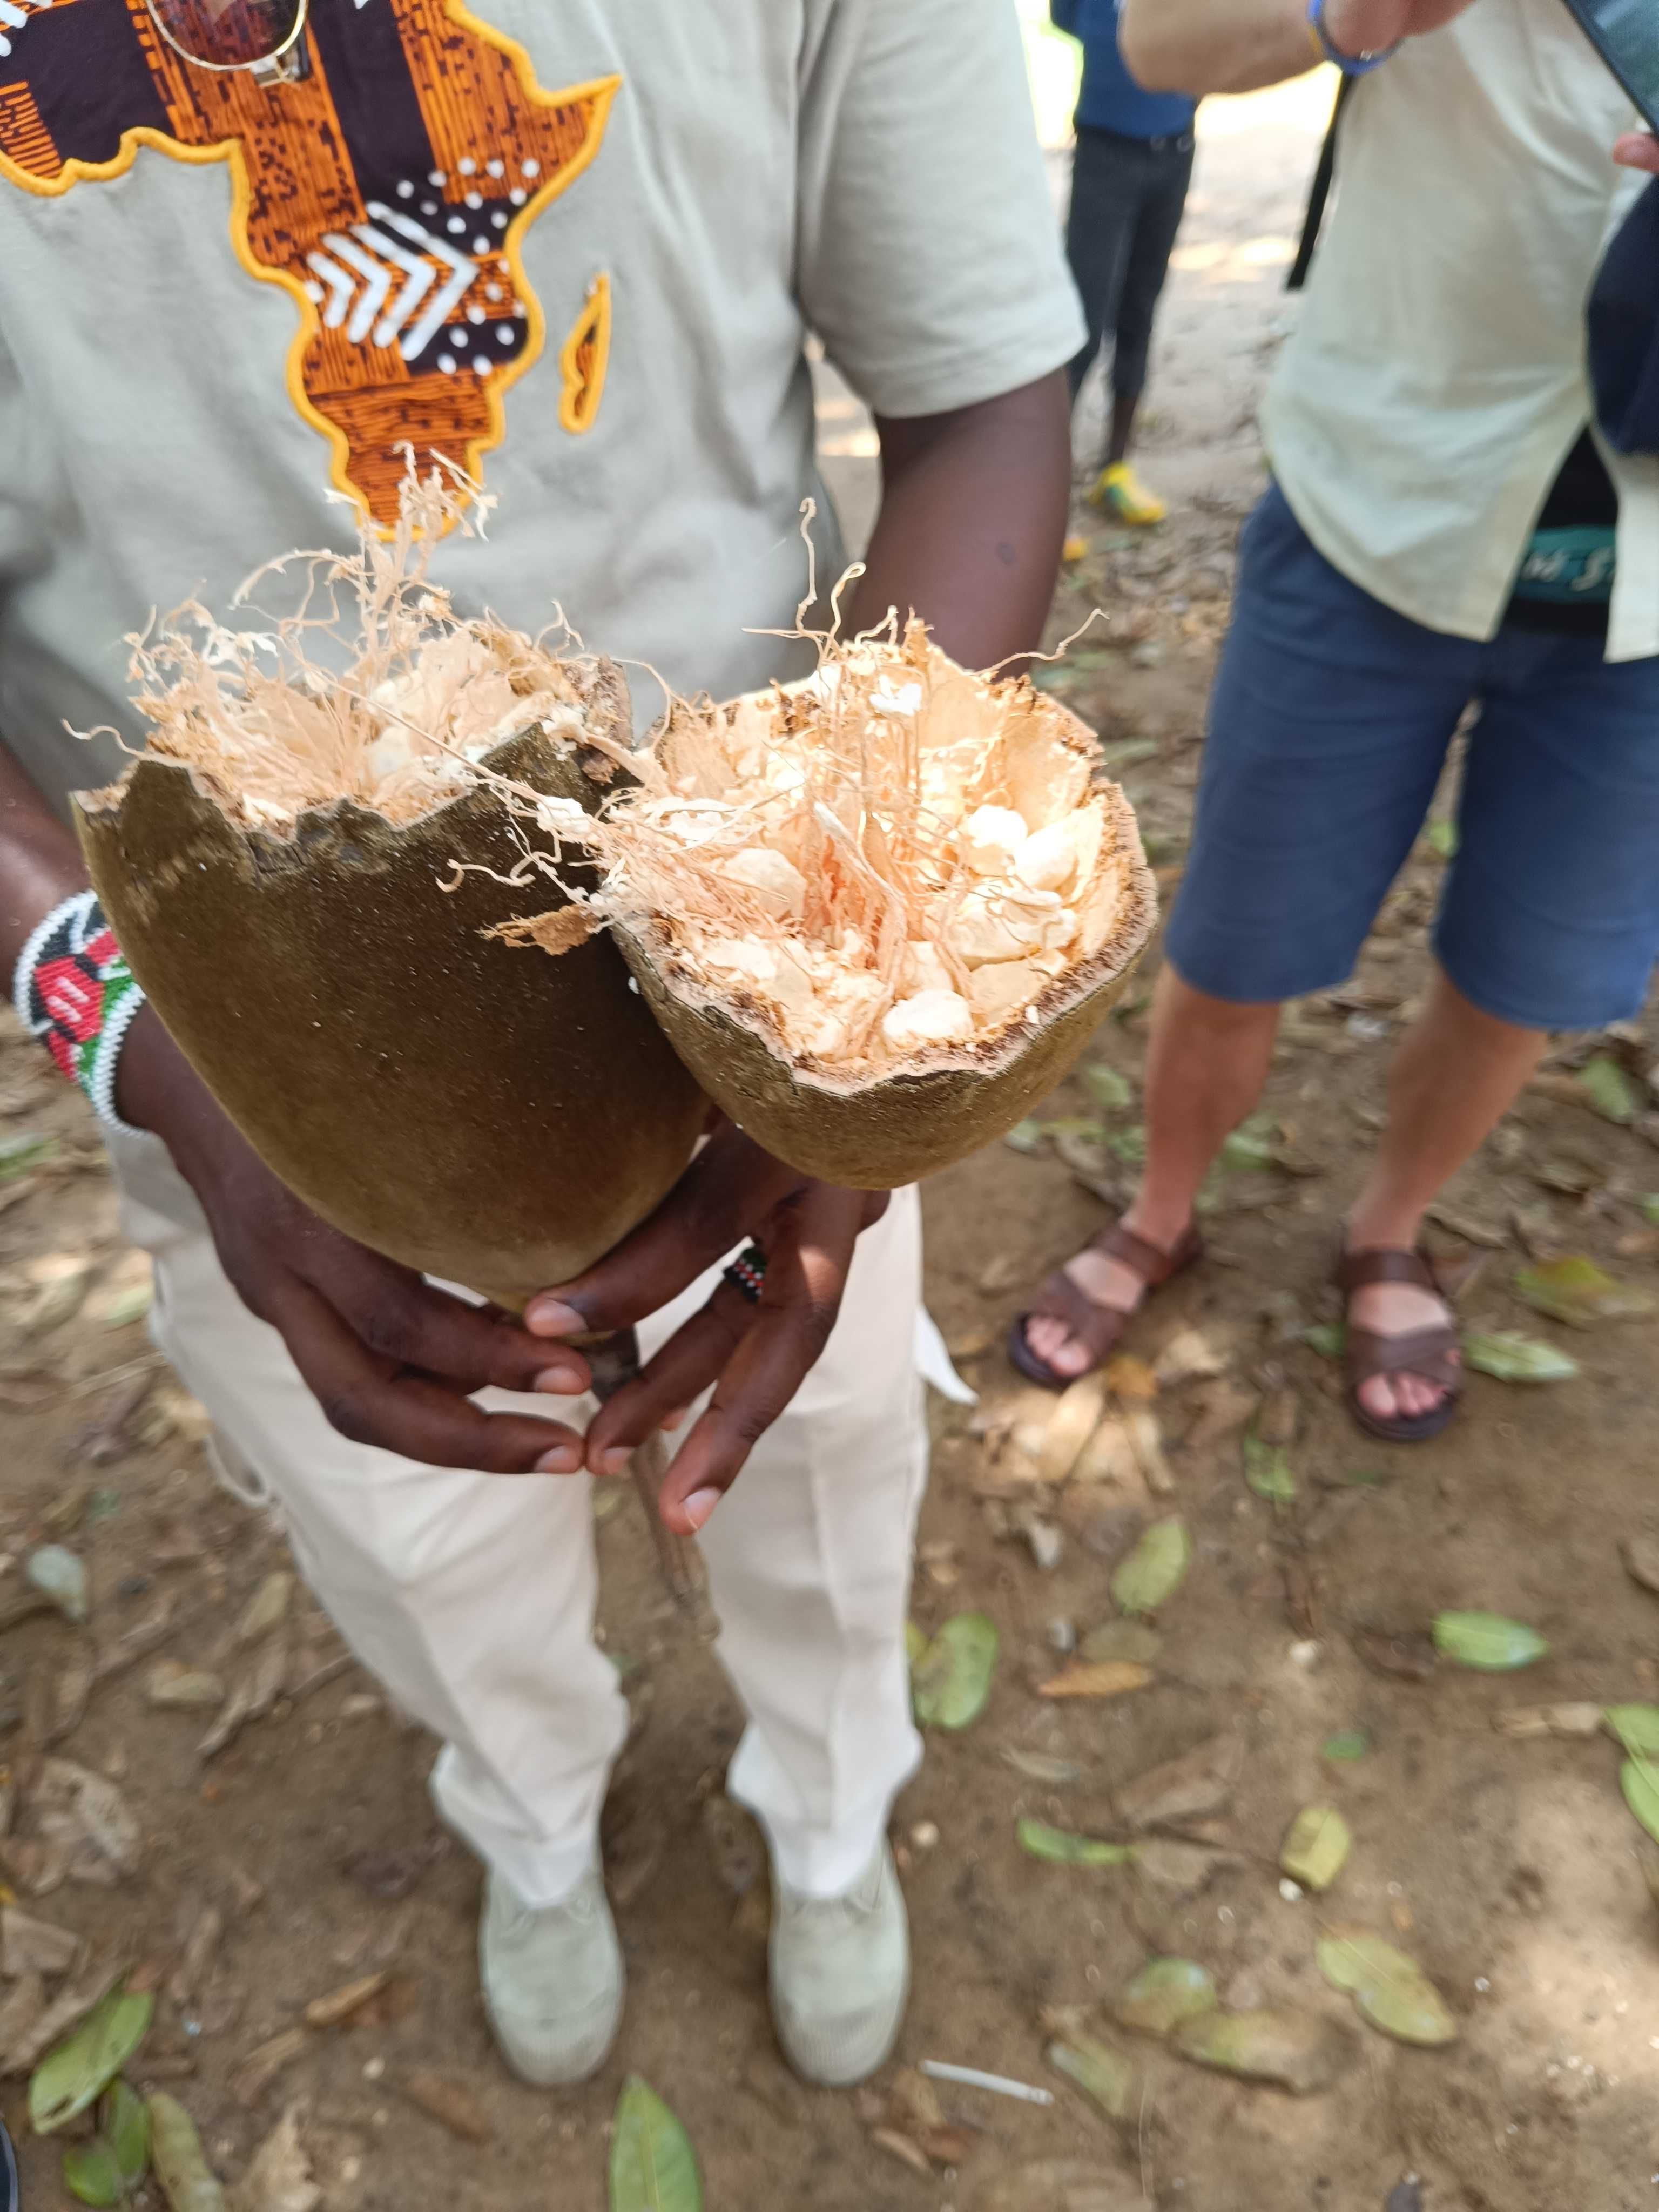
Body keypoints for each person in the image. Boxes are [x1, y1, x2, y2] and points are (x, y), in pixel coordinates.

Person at [0, 0, 1082, 2088]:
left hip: (759, 1008)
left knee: (827, 1479)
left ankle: (832, 1814)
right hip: (241, 1092)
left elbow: (979, 397)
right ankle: (534, 1818)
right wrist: (120, 1014)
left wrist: (845, 1003)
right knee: (423, 1548)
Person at [1014, 0, 1659, 1446]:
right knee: (1236, 946)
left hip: (1642, 618)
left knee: (1520, 979)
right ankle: (1161, 1210)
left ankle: (1390, 1227)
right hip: (1380, 508)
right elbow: (1161, 42)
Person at [1051, 0, 1197, 529]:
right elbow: (1066, 19)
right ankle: (1047, 495)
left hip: (1174, 151)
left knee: (1140, 308)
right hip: (1104, 153)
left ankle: (1115, 470)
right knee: (1082, 323)